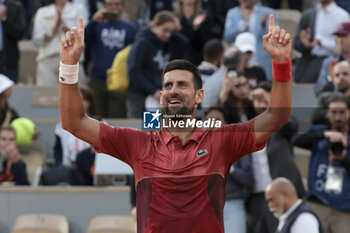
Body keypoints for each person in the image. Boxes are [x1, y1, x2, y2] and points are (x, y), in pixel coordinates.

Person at [59, 14, 292, 232]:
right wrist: (68, 66)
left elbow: (276, 117)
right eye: (168, 86)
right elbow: (75, 123)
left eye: (182, 85)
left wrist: (281, 63)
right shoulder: (137, 143)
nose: (173, 91)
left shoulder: (221, 140)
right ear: (161, 97)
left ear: (199, 96)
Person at [247, 81, 305, 233]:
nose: (260, 103)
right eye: (257, 99)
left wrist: (270, 105)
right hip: (256, 197)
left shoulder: (281, 125)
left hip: (282, 194)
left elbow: (289, 124)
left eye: (264, 99)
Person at [294, 93, 350, 233]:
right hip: (318, 201)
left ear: (349, 113)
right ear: (327, 113)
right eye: (334, 112)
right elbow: (297, 141)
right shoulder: (319, 132)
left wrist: (343, 159)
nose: (337, 117)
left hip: (344, 208)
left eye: (342, 112)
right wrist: (324, 135)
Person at [127, 10, 188, 118]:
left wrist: (177, 27)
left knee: (155, 130)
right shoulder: (142, 42)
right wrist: (152, 90)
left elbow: (184, 42)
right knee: (138, 131)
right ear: (154, 25)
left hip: (157, 96)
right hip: (139, 95)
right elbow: (133, 71)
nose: (168, 35)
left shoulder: (166, 43)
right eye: (165, 30)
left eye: (171, 32)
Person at [205, 105, 254, 233]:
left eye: (217, 119)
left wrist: (229, 168)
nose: (212, 123)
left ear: (225, 123)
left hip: (233, 205)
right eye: (209, 120)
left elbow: (250, 180)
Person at [84, 0, 137, 118]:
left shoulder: (131, 28)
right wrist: (93, 21)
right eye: (110, 4)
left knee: (117, 121)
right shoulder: (97, 25)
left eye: (117, 4)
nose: (114, 7)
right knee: (95, 119)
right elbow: (83, 39)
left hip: (119, 81)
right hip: (97, 79)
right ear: (105, 7)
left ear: (122, 7)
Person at [32, 0, 88, 86]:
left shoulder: (79, 9)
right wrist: (54, 27)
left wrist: (63, 25)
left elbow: (83, 36)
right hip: (47, 61)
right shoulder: (42, 12)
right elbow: (37, 40)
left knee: (75, 95)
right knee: (47, 96)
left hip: (73, 60)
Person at [293, 0, 349, 83]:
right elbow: (296, 44)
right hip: (309, 62)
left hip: (334, 61)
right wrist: (304, 44)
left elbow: (345, 45)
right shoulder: (308, 15)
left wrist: (321, 43)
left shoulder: (342, 16)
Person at [224, 0, 276, 80]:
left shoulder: (269, 12)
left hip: (262, 64)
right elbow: (227, 37)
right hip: (241, 65)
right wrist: (243, 23)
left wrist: (264, 27)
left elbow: (275, 38)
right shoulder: (232, 13)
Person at [53, 85, 99, 167]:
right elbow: (58, 150)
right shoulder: (62, 125)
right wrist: (60, 166)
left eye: (83, 99)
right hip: (70, 168)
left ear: (89, 102)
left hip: (92, 168)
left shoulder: (100, 123)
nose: (79, 102)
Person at [314, 21, 350, 96]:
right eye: (338, 36)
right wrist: (330, 77)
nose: (339, 39)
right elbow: (318, 92)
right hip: (338, 104)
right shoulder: (330, 62)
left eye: (343, 35)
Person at [0, 0, 26, 83]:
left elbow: (20, 33)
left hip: (9, 61)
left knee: (11, 93)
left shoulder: (15, 5)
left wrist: (4, 19)